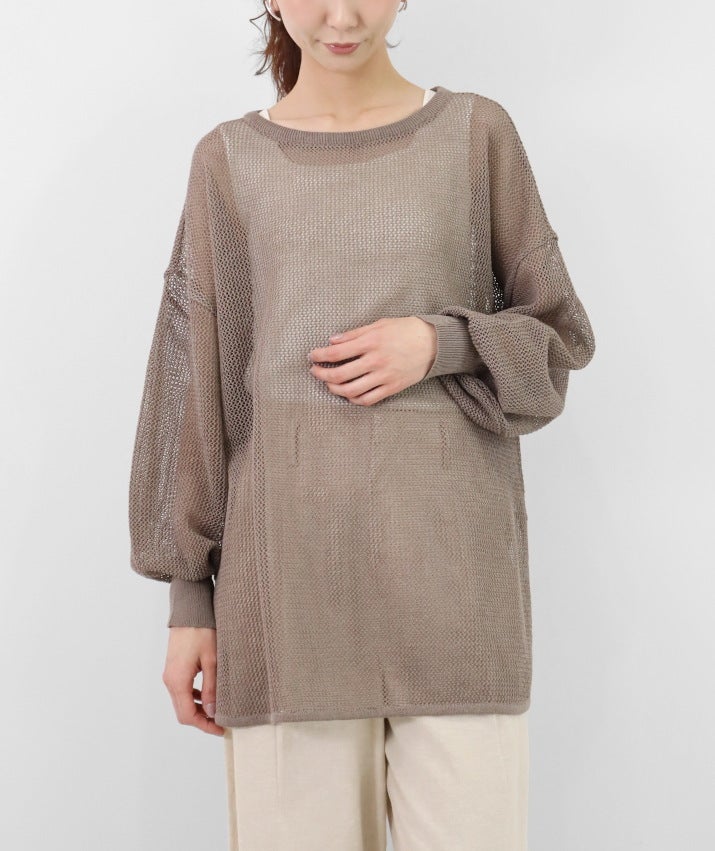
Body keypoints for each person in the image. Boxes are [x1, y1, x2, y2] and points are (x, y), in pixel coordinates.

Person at [128, 1, 596, 848]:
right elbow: (190, 384)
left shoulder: (475, 135)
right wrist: (189, 600)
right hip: (286, 599)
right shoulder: (228, 160)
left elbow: (558, 338)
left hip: (457, 600)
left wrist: (441, 341)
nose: (340, 15)